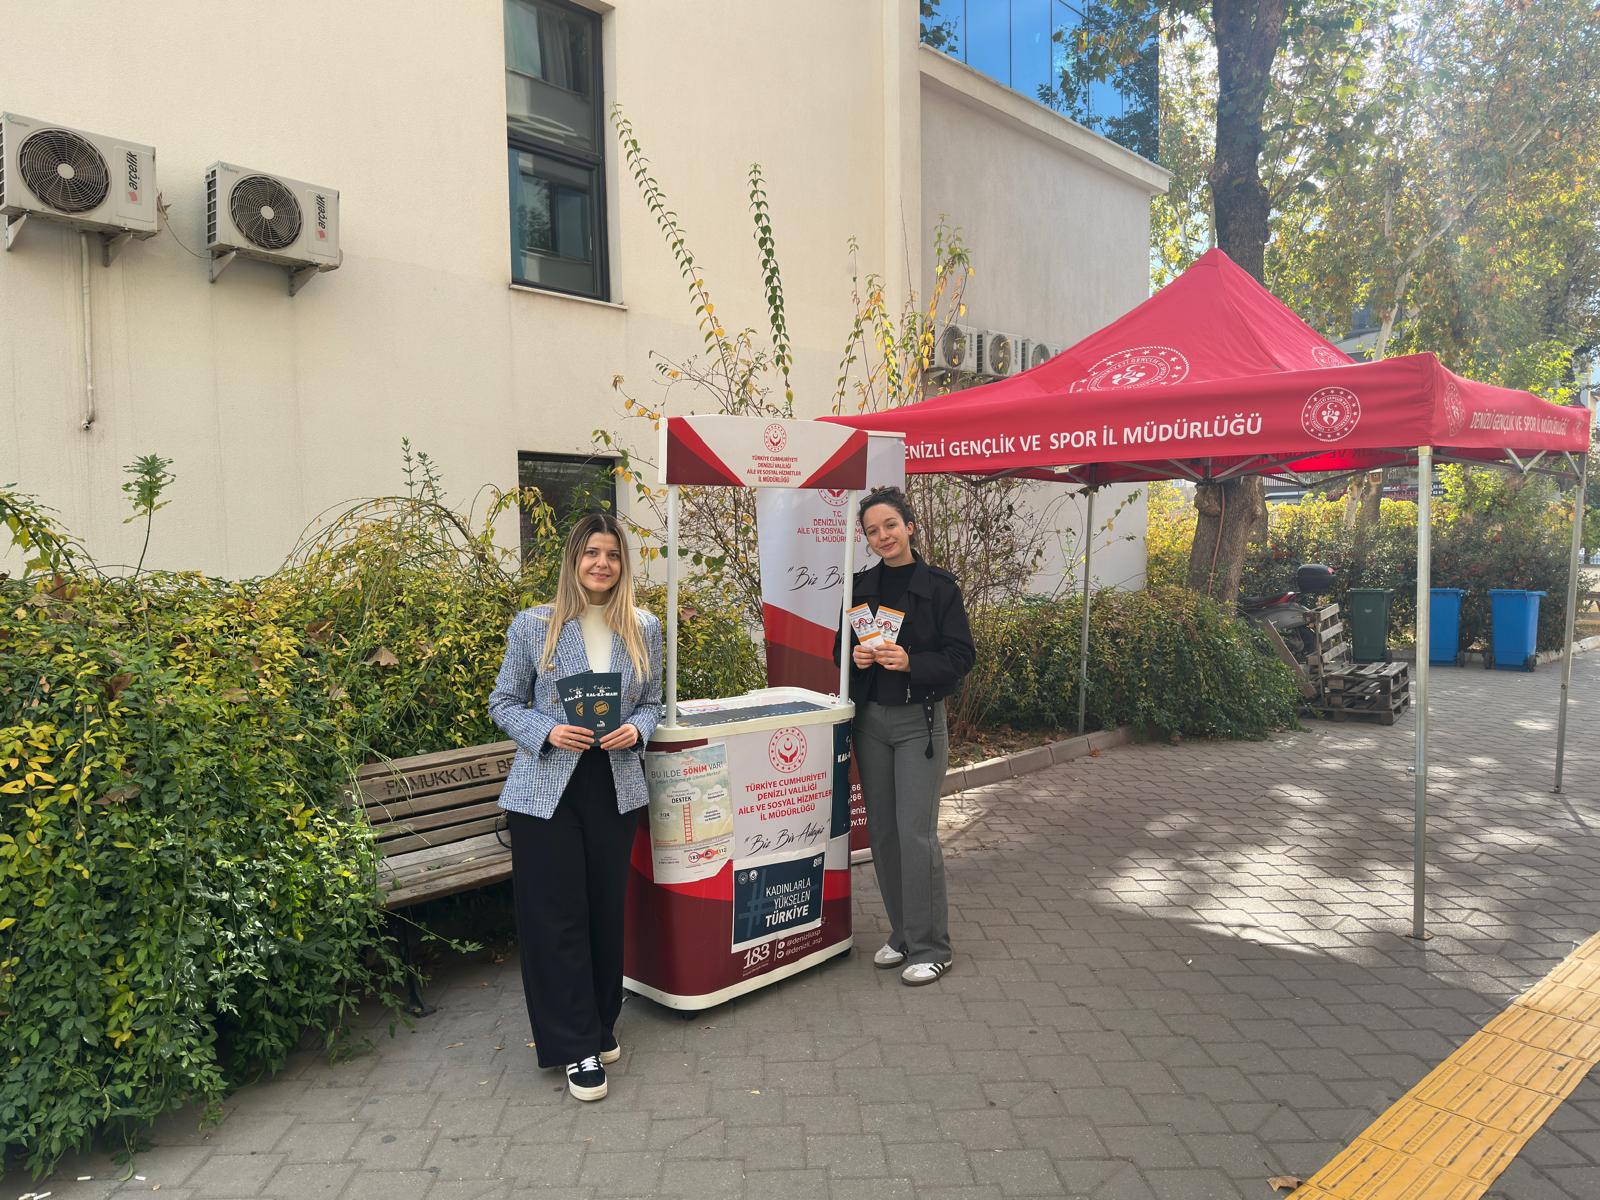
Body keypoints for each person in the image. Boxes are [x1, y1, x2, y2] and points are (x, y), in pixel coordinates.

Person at [488, 512, 662, 1101]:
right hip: (546, 790)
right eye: (591, 553)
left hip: (614, 785)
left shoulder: (643, 626)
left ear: (622, 564)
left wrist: (636, 730)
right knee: (556, 918)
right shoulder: (534, 625)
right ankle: (575, 1044)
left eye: (611, 554)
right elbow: (503, 702)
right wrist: (546, 731)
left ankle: (600, 1021)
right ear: (573, 559)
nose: (601, 564)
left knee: (605, 911)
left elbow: (652, 703)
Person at [837, 486, 974, 985]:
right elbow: (839, 652)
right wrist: (854, 658)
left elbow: (961, 657)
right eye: (873, 530)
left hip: (920, 722)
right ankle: (903, 933)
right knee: (884, 834)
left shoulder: (940, 588)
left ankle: (933, 946)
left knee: (916, 835)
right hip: (871, 723)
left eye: (890, 525)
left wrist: (912, 661)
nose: (883, 536)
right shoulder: (859, 586)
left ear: (910, 527)